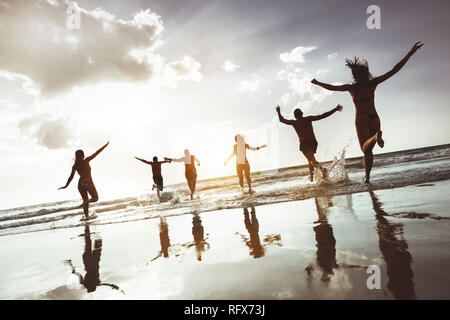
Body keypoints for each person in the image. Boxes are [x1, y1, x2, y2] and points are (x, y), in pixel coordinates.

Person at [311, 41, 424, 183]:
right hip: (374, 117)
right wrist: (410, 53)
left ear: (354, 75)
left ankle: (375, 138)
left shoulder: (351, 88)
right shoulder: (372, 84)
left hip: (362, 117)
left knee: (365, 149)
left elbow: (332, 87)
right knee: (369, 151)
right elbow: (394, 70)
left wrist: (317, 83)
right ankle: (367, 177)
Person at [276, 104, 343, 181]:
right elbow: (322, 116)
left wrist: (278, 112)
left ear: (295, 116)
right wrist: (335, 109)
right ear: (302, 113)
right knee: (310, 160)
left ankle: (322, 170)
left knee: (311, 160)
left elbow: (282, 120)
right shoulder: (308, 119)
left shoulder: (294, 123)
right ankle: (312, 176)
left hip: (304, 143)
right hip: (312, 142)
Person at [59, 141, 109, 220]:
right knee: (95, 198)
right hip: (88, 182)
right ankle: (87, 202)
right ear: (82, 155)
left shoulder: (75, 165)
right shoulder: (86, 160)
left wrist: (66, 186)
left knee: (85, 201)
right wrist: (105, 146)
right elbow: (96, 153)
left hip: (80, 184)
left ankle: (87, 217)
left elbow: (71, 177)